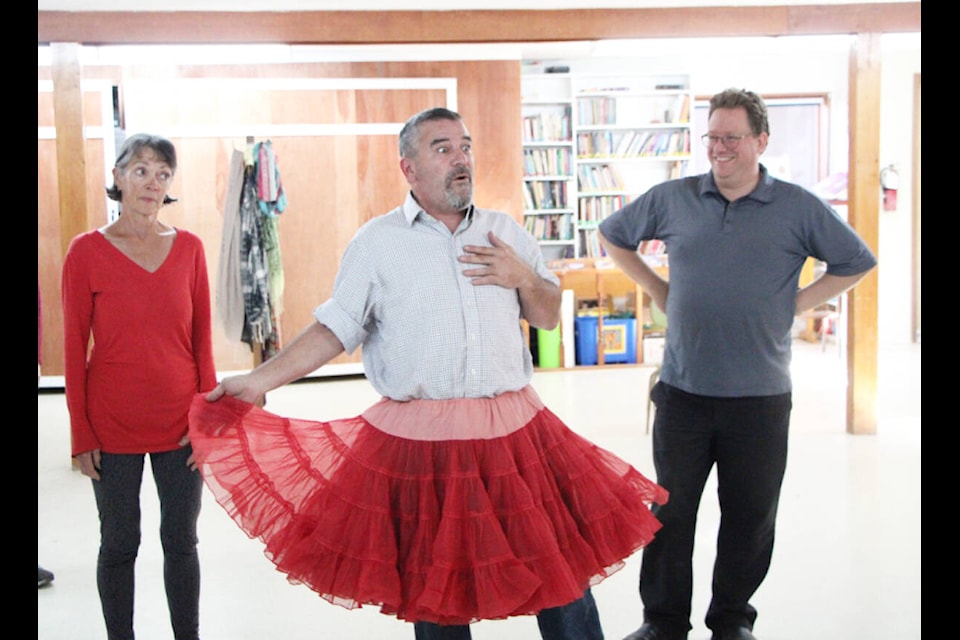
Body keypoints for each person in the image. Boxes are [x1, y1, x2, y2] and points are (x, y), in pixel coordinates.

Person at [187, 107, 669, 640]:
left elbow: (548, 313)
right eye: (443, 148)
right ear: (409, 169)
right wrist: (259, 381)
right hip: (422, 443)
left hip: (516, 435)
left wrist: (525, 277)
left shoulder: (503, 230)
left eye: (464, 146)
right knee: (436, 596)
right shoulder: (377, 243)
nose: (461, 158)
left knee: (561, 580)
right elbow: (335, 328)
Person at [597, 88, 877, 640]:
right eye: (712, 137)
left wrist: (798, 302)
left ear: (760, 141)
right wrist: (657, 287)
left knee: (749, 519)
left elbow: (856, 260)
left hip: (760, 397)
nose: (719, 149)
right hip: (683, 394)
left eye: (732, 137)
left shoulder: (796, 206)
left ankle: (731, 621)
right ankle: (663, 622)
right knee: (670, 517)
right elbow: (613, 234)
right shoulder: (673, 198)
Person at [62, 133, 216, 640]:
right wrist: (80, 434)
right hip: (112, 425)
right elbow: (71, 349)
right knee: (119, 543)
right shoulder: (86, 252)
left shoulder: (190, 249)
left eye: (163, 173)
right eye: (142, 170)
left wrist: (209, 425)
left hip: (179, 423)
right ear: (118, 177)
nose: (153, 182)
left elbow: (202, 344)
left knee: (181, 540)